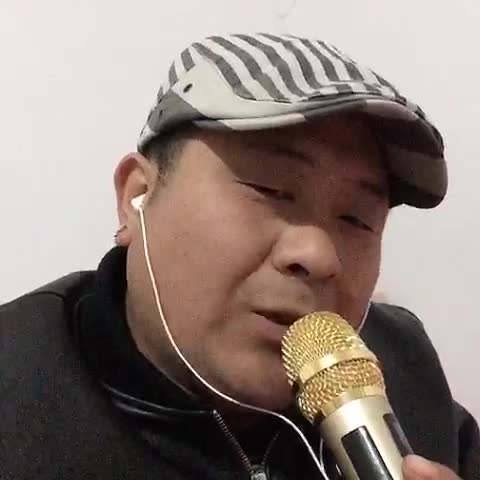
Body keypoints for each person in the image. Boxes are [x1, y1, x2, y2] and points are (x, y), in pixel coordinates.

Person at [1, 33, 478, 480]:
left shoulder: (406, 376)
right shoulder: (18, 395)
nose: (318, 255)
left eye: (357, 219)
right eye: (268, 189)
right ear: (137, 196)